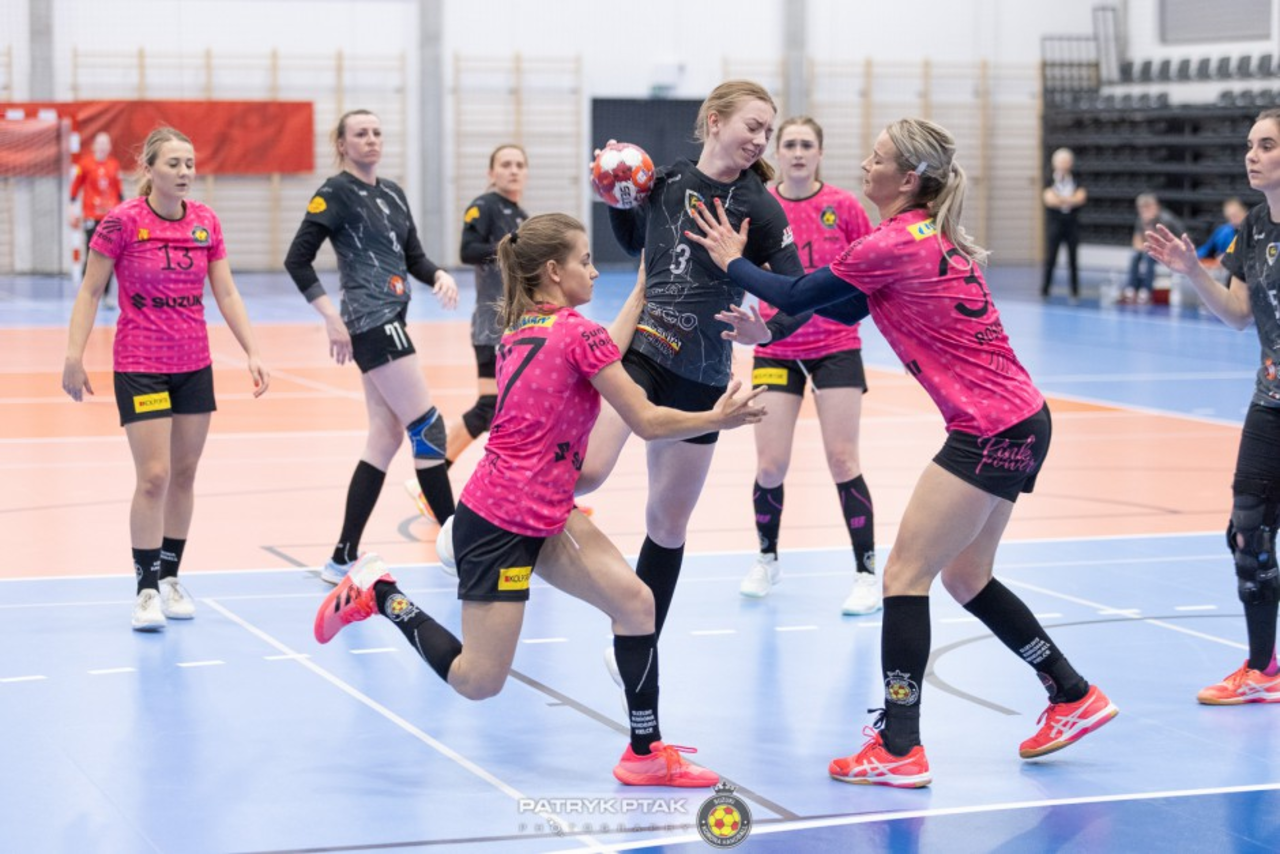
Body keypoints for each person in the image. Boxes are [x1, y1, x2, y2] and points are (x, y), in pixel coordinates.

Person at [686, 117, 1117, 787]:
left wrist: (731, 263)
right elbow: (844, 309)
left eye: (878, 157)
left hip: (987, 429)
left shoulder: (891, 240)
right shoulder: (925, 236)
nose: (866, 164)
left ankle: (899, 746)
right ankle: (1071, 693)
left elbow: (798, 291)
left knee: (904, 576)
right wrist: (768, 332)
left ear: (908, 179)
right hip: (1023, 420)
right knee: (966, 577)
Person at [314, 213, 766, 786]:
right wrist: (716, 419)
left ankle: (645, 753)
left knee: (636, 604)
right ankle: (381, 593)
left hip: (546, 512)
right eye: (585, 261)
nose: (594, 272)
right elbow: (647, 420)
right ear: (554, 271)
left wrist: (643, 290)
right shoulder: (575, 334)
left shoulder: (524, 330)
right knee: (478, 681)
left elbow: (603, 350)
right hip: (498, 524)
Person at [574, 79, 820, 648]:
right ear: (714, 121)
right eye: (752, 126)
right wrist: (615, 195)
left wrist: (768, 329)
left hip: (702, 377)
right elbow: (634, 240)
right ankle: (479, 528)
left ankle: (640, 640)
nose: (760, 139)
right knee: (587, 471)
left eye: (767, 131)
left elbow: (799, 292)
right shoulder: (665, 181)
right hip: (643, 352)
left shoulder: (760, 206)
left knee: (666, 523)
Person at [61, 126, 270, 631]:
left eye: (189, 164)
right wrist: (73, 356)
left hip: (193, 364)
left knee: (185, 474)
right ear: (149, 169)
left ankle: (172, 578)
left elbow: (227, 293)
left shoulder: (205, 222)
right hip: (141, 365)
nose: (184, 172)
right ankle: (147, 590)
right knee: (154, 476)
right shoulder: (121, 222)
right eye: (174, 164)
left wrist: (253, 350)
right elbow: (90, 291)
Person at [284, 109, 460, 585]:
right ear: (342, 144)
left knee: (385, 436)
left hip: (393, 318)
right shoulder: (335, 193)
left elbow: (413, 257)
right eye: (360, 134)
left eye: (377, 132)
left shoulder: (393, 193)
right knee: (428, 427)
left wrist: (438, 274)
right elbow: (297, 259)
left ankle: (342, 556)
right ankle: (459, 549)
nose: (371, 140)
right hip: (371, 321)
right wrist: (330, 317)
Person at [1144, 108, 1280, 706]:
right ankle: (1263, 669)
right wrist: (1192, 273)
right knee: (1248, 530)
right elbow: (1239, 315)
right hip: (1271, 399)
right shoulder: (1254, 227)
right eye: (1250, 144)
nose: (1252, 154)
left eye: (1267, 145)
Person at [739, 115, 880, 615]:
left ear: (819, 152)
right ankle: (767, 558)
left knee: (843, 460)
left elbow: (870, 270)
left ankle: (866, 572)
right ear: (777, 152)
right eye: (790, 145)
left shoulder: (844, 207)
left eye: (806, 145)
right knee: (770, 464)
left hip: (835, 346)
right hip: (775, 347)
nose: (798, 153)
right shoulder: (760, 206)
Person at [405, 144, 529, 518]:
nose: (513, 170)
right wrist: (510, 247)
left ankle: (530, 492)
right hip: (491, 328)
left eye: (519, 165)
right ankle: (429, 480)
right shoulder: (484, 207)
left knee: (519, 412)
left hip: (518, 328)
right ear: (491, 173)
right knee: (490, 407)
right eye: (505, 164)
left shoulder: (522, 217)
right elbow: (467, 250)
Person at [69, 132, 125, 309]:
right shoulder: (84, 164)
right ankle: (86, 293)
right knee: (92, 254)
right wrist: (72, 211)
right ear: (94, 146)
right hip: (91, 216)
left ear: (109, 147)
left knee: (110, 256)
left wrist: (123, 216)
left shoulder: (114, 165)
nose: (102, 147)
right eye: (99, 143)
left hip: (110, 218)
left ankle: (106, 295)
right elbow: (74, 190)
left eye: (105, 144)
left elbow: (120, 193)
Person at [1040, 147, 1086, 302]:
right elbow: (1049, 200)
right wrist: (1069, 199)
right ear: (1055, 163)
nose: (1064, 164)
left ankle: (1074, 291)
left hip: (1071, 224)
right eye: (1061, 161)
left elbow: (1081, 198)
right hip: (1055, 224)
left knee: (1073, 259)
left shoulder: (1076, 179)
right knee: (1051, 258)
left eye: (1067, 161)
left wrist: (1061, 199)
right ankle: (1045, 289)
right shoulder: (1049, 179)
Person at [1125, 192, 1184, 303]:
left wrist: (1146, 245)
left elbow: (1159, 243)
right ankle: (1131, 289)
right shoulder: (1140, 220)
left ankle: (1146, 291)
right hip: (1152, 250)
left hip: (1173, 251)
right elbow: (1136, 243)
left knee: (1149, 256)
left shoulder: (1165, 220)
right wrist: (1143, 247)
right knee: (1135, 255)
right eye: (1142, 208)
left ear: (1155, 207)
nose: (1144, 211)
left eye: (1147, 207)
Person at [1197, 197, 1248, 285]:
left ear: (1244, 211)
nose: (1233, 218)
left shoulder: (1256, 229)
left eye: (1236, 214)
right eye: (1230, 216)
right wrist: (1191, 256)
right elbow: (1205, 250)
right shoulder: (1222, 231)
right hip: (1223, 273)